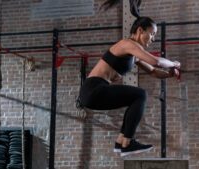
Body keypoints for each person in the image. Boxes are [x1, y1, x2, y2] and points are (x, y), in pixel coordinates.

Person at [77, 2, 181, 158]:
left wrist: (170, 74)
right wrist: (173, 63)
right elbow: (156, 62)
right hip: (93, 89)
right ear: (140, 30)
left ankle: (121, 142)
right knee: (140, 95)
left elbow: (153, 71)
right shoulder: (126, 44)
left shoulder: (133, 55)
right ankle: (127, 142)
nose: (152, 39)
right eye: (151, 34)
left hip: (94, 93)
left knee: (135, 98)